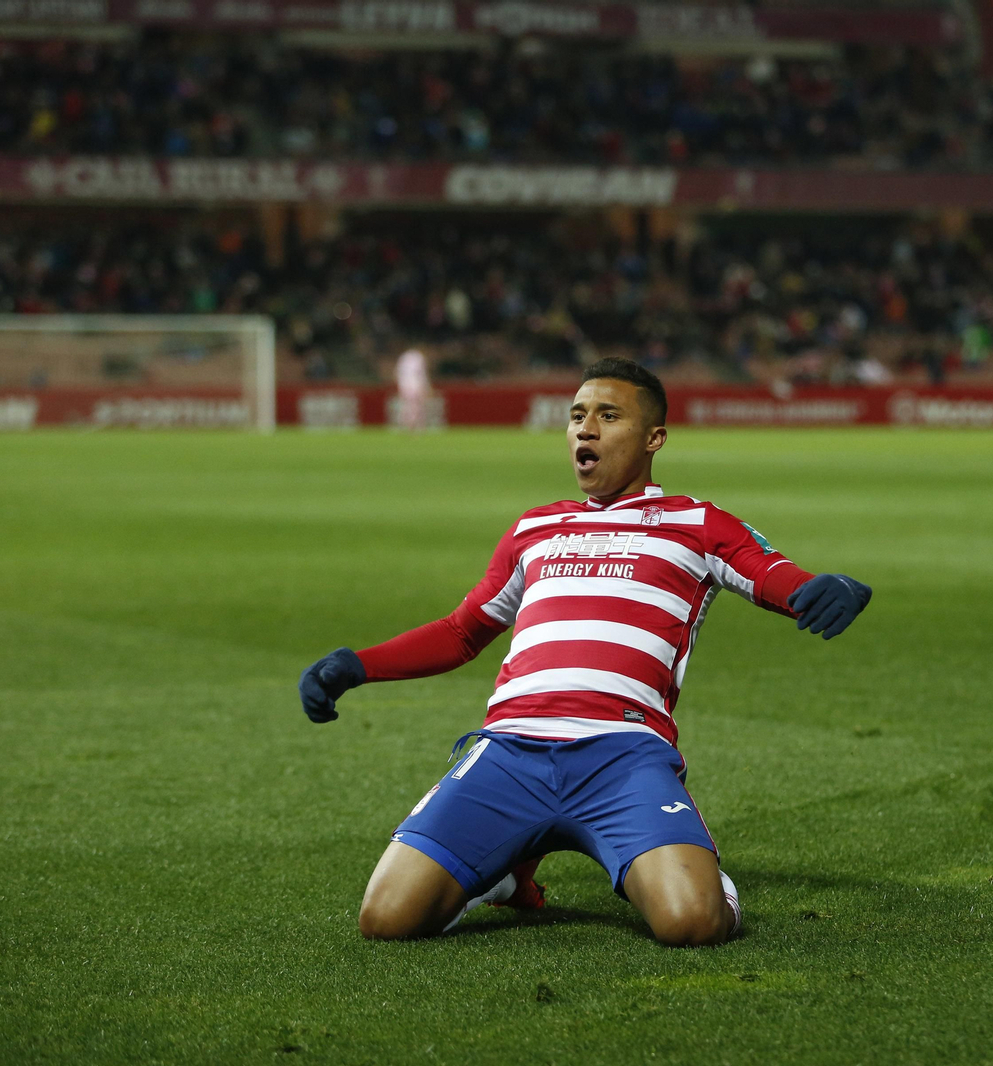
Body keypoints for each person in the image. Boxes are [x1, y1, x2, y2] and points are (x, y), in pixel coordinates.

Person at [298, 358, 872, 946]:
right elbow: (462, 631)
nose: (585, 429)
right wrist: (358, 664)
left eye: (607, 415)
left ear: (654, 438)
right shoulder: (535, 528)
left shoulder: (697, 523)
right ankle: (498, 877)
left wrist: (831, 588)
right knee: (386, 919)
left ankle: (702, 875)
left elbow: (776, 578)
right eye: (576, 416)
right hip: (509, 753)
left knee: (692, 923)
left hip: (622, 755)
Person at [395, 347, 432, 431]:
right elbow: (421, 374)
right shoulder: (418, 357)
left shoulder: (403, 357)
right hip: (416, 385)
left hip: (405, 385)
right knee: (417, 406)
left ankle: (408, 424)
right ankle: (416, 425)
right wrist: (426, 387)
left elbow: (398, 373)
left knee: (408, 405)